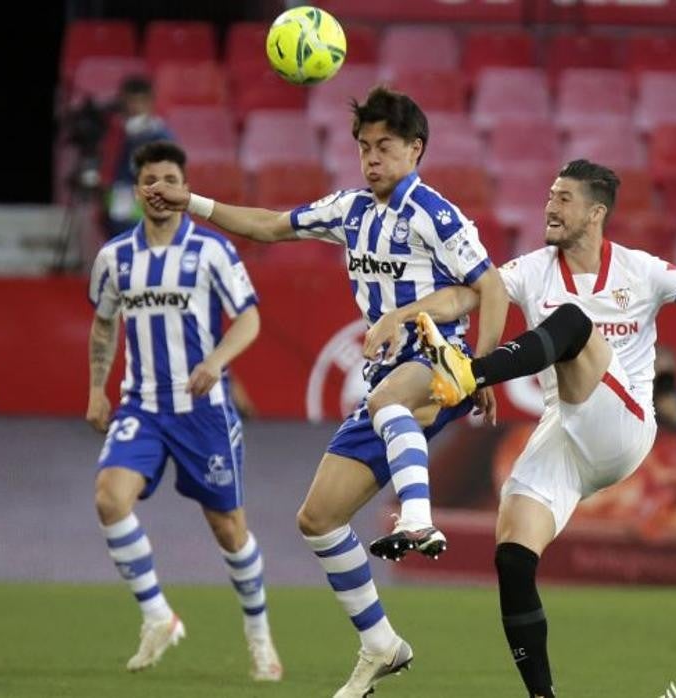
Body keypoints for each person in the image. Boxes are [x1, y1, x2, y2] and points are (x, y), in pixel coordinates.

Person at [416, 159, 676, 698]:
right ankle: (542, 696)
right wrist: (401, 315)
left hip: (624, 426)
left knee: (571, 323)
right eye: (548, 195)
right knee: (513, 558)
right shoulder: (531, 269)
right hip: (564, 434)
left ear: (596, 212)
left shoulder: (643, 271)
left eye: (563, 198)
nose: (549, 206)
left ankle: (467, 374)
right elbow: (467, 295)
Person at [144, 86, 509, 697]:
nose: (371, 158)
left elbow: (490, 287)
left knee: (389, 401)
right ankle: (380, 645)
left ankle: (419, 520)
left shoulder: (436, 214)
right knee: (317, 519)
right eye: (364, 146)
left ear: (415, 149)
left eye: (385, 146)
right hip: (384, 379)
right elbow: (267, 225)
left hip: (436, 358)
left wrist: (485, 368)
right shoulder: (350, 210)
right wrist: (192, 203)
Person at [85, 140, 282, 681]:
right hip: (142, 407)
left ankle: (260, 639)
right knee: (109, 498)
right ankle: (157, 617)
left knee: (229, 530)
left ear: (183, 186)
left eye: (170, 180)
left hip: (203, 411)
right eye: (150, 181)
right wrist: (97, 390)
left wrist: (217, 361)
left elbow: (248, 319)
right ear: (137, 189)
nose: (160, 190)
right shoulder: (115, 258)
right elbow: (104, 324)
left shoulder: (213, 250)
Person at [101, 76, 175, 237]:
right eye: (130, 102)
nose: (134, 108)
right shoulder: (114, 131)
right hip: (118, 196)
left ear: (150, 103)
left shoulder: (160, 135)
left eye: (140, 102)